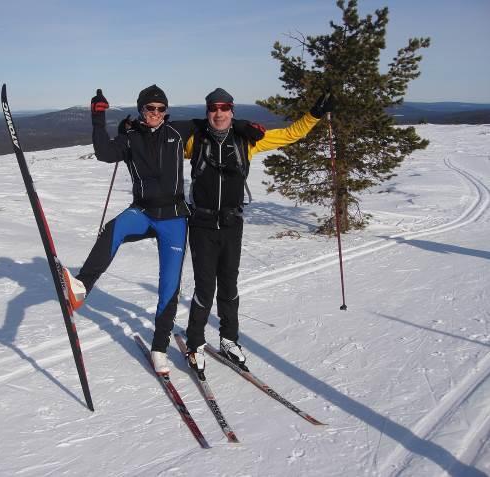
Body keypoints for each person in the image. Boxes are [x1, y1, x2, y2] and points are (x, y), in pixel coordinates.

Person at [62, 85, 265, 375]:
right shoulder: (129, 138)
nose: (156, 113)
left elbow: (211, 123)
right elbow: (104, 153)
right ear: (142, 109)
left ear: (165, 111)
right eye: (150, 108)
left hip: (174, 218)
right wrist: (98, 119)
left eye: (160, 109)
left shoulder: (177, 131)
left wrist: (244, 126)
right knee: (113, 229)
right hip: (143, 212)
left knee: (169, 287)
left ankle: (159, 347)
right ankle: (82, 286)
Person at [182, 87, 333, 374]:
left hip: (232, 223)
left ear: (232, 111)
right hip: (201, 224)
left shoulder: (245, 140)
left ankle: (228, 339)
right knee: (204, 288)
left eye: (224, 108)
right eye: (213, 108)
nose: (219, 113)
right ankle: (195, 344)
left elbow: (290, 134)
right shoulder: (194, 141)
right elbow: (161, 142)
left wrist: (313, 115)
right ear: (207, 112)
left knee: (229, 286)